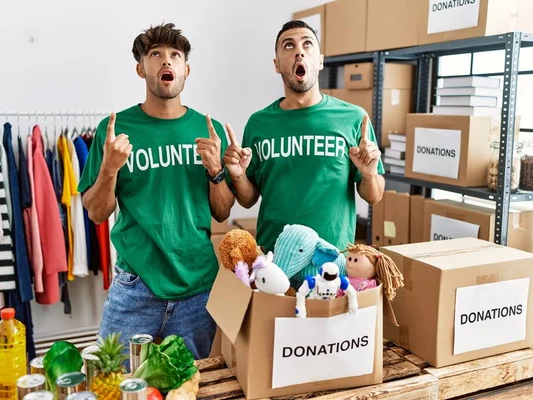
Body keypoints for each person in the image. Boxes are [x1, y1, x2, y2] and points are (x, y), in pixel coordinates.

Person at [78, 23, 234, 361]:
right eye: (156, 55)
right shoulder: (116, 128)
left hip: (197, 288)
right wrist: (109, 169)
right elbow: (96, 212)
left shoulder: (209, 131)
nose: (167, 61)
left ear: (186, 70)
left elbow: (222, 212)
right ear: (141, 68)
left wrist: (215, 171)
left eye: (175, 55)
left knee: (186, 387)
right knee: (113, 383)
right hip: (136, 287)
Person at [223, 20, 385, 256]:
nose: (299, 51)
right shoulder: (259, 123)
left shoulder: (353, 118)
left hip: (332, 260)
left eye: (307, 44)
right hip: (274, 259)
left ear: (319, 60)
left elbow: (374, 196)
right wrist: (238, 176)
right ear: (277, 64)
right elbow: (248, 199)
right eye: (288, 46)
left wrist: (369, 174)